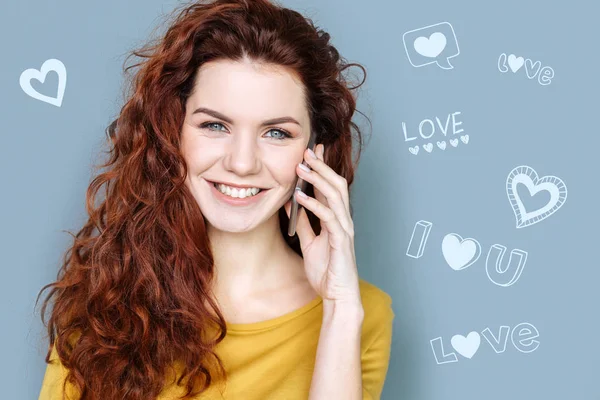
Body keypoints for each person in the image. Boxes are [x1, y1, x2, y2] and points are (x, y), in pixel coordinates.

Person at [36, 0, 394, 399]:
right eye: (214, 125)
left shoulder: (358, 314)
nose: (242, 163)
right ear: (173, 133)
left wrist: (340, 309)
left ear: (315, 151)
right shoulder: (103, 302)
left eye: (276, 133)